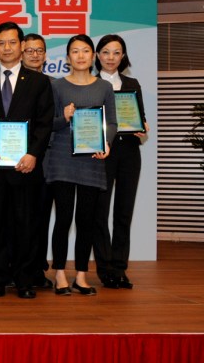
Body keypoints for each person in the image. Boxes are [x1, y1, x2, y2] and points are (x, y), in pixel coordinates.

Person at [0, 22, 54, 299]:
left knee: (25, 223)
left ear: (21, 46)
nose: (6, 48)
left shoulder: (39, 82)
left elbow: (44, 123)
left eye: (12, 42)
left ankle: (24, 280)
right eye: (1, 43)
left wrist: (33, 154)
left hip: (25, 166)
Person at [43, 34, 116, 295]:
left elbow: (112, 122)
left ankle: (82, 275)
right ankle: (60, 273)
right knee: (63, 219)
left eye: (85, 51)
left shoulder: (104, 87)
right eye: (75, 51)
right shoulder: (57, 86)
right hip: (61, 160)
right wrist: (63, 117)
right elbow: (48, 124)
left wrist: (106, 142)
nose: (81, 56)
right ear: (67, 58)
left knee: (86, 220)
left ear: (93, 56)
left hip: (92, 161)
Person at [92, 34, 148, 289]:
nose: (111, 57)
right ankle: (105, 269)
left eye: (116, 52)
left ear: (123, 56)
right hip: (101, 154)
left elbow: (140, 116)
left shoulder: (132, 83)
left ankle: (120, 268)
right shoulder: (91, 83)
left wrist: (142, 127)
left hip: (129, 153)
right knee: (100, 213)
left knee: (124, 212)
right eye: (105, 52)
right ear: (97, 55)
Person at [21, 31, 53, 287]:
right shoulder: (12, 83)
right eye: (29, 50)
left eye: (39, 50)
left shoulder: (54, 84)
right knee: (19, 217)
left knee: (41, 217)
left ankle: (37, 269)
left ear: (45, 54)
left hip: (48, 162)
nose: (34, 55)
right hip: (18, 160)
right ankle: (18, 267)